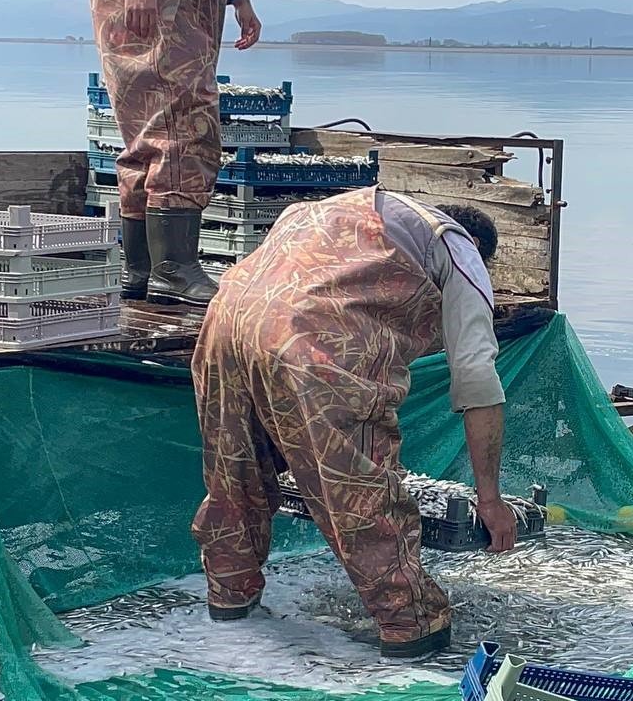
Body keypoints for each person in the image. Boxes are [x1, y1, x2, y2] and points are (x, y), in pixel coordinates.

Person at [189, 185, 519, 659]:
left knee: (234, 474)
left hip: (224, 322)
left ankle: (229, 604)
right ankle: (413, 633)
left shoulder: (344, 208)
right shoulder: (459, 247)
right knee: (362, 493)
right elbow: (477, 380)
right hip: (314, 343)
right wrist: (490, 500)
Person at [88, 0, 262, 307]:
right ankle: (173, 270)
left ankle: (141, 270)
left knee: (148, 130)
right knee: (184, 122)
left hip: (191, 0)